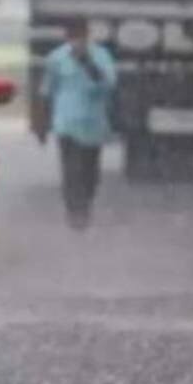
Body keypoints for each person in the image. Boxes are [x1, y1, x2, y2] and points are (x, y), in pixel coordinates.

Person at [38, 19, 118, 230]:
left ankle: (86, 204)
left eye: (80, 37)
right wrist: (42, 124)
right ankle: (75, 210)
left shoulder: (101, 56)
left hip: (93, 124)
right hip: (67, 123)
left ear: (87, 36)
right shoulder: (56, 58)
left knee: (90, 172)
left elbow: (108, 84)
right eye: (73, 37)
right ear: (67, 37)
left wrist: (87, 62)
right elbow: (47, 91)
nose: (77, 42)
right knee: (71, 170)